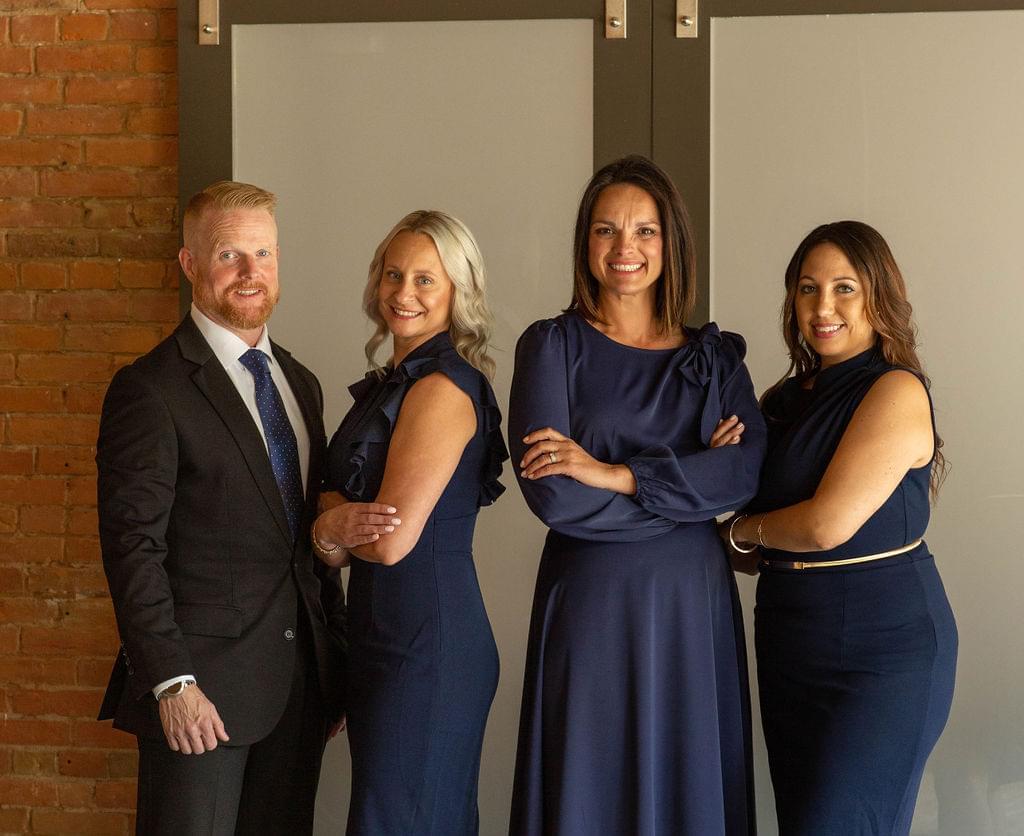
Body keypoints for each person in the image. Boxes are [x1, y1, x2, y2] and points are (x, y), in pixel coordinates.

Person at [507, 155, 766, 835]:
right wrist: (690, 488)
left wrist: (615, 473)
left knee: (688, 784)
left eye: (645, 231)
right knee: (591, 784)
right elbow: (556, 499)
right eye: (607, 230)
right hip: (593, 602)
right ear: (585, 241)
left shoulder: (713, 358)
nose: (626, 247)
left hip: (690, 605)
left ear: (670, 241)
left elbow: (742, 476)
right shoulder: (551, 347)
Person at [96, 181, 351, 835]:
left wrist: (333, 661)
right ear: (190, 263)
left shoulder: (299, 383)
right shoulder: (150, 389)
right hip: (199, 697)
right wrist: (171, 683)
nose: (249, 272)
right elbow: (132, 548)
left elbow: (306, 537)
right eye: (229, 254)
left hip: (298, 693)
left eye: (263, 254)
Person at [725, 221, 958, 834]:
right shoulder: (781, 401)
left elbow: (825, 526)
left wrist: (738, 533)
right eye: (808, 288)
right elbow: (754, 539)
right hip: (789, 639)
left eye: (844, 288)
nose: (822, 307)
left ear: (879, 296)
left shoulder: (895, 389)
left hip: (884, 650)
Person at [311, 210, 507, 834]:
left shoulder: (442, 388)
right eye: (393, 274)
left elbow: (390, 541)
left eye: (426, 279)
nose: (403, 292)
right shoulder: (393, 383)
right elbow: (337, 531)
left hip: (427, 645)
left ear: (457, 292)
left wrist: (329, 523)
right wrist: (333, 527)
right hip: (383, 634)